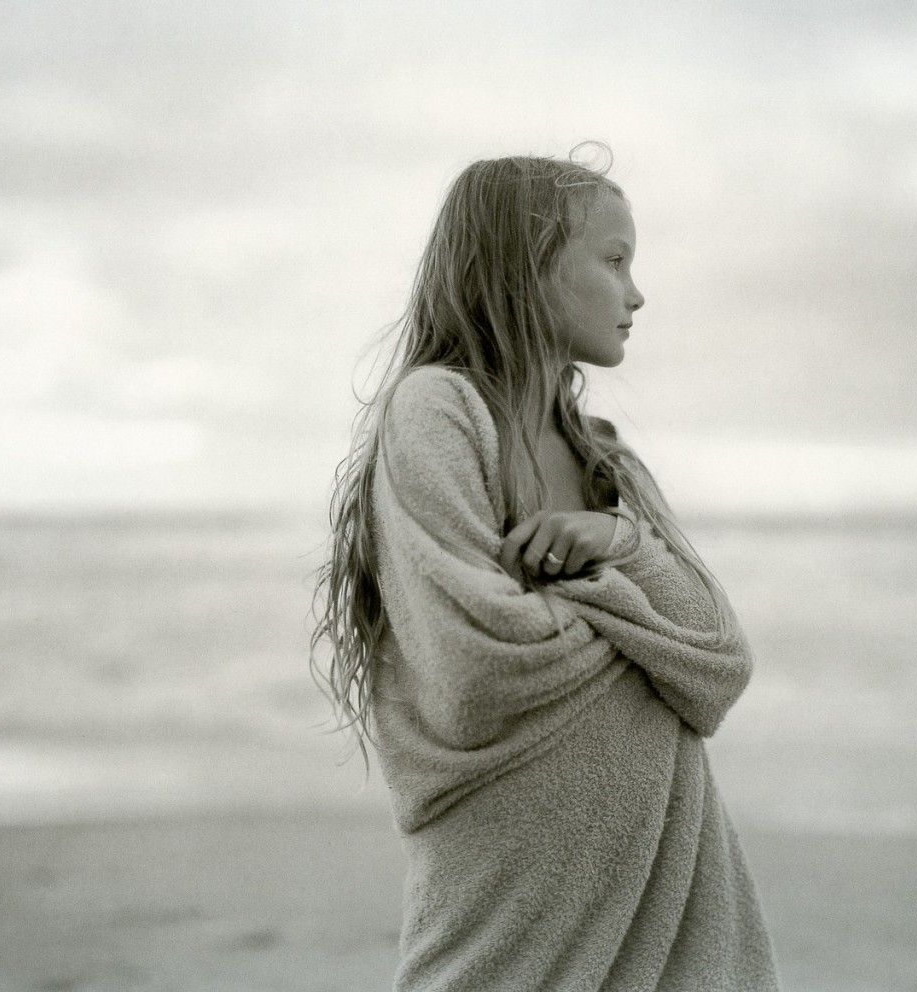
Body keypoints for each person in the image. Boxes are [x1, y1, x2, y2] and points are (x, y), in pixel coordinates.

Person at [313, 150, 779, 991]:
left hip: (659, 890)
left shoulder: (609, 466)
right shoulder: (439, 410)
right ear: (527, 268)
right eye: (613, 260)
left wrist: (617, 544)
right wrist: (639, 637)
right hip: (509, 889)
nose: (636, 294)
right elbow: (477, 662)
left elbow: (718, 664)